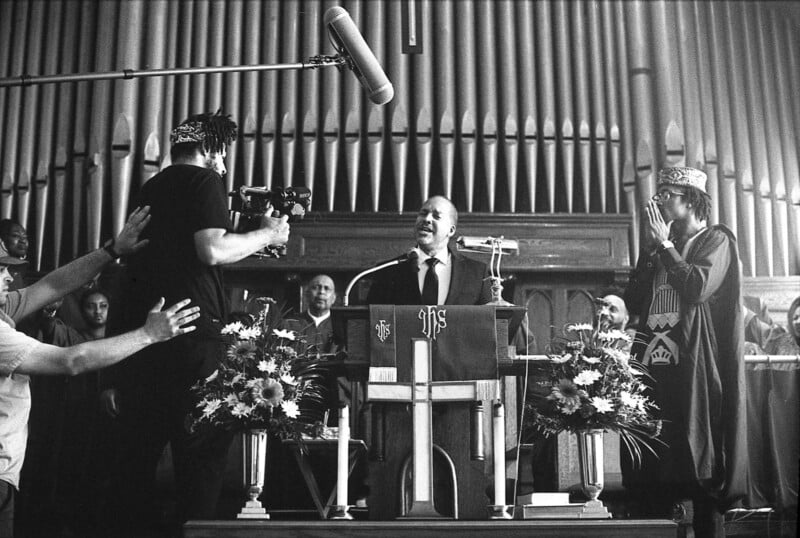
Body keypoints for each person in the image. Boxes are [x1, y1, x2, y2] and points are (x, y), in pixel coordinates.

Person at [104, 110, 291, 531]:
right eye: (221, 152)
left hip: (142, 344)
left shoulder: (151, 187)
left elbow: (131, 277)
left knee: (134, 471)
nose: (224, 163)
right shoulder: (205, 181)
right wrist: (267, 235)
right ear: (209, 148)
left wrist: (113, 374)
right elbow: (211, 250)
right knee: (200, 471)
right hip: (191, 345)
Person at [0, 207, 200, 537]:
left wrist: (112, 251)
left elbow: (53, 285)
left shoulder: (4, 305)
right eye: (3, 270)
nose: (10, 277)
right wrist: (148, 335)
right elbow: (70, 361)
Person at [623, 166, 748, 538]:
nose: (658, 201)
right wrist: (652, 251)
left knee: (699, 469)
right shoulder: (660, 246)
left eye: (667, 194)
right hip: (654, 369)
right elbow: (633, 301)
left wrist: (665, 246)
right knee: (655, 469)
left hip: (692, 371)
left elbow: (696, 287)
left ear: (691, 199)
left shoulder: (717, 241)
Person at [20, 289, 113, 535]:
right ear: (82, 311)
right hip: (77, 415)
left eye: (103, 306)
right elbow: (52, 329)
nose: (97, 311)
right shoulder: (74, 336)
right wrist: (50, 309)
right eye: (91, 306)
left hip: (110, 420)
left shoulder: (116, 339)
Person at [366, 195, 492, 306]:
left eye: (436, 216)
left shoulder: (477, 273)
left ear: (451, 230)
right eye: (423, 213)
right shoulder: (386, 272)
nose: (426, 219)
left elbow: (490, 324)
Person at [0, 219, 29, 291]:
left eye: (25, 237)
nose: (23, 241)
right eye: (15, 236)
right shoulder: (8, 269)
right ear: (2, 241)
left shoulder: (19, 268)